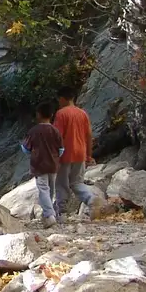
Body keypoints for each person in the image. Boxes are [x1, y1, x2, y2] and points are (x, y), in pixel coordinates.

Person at [52, 86, 97, 220]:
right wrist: (89, 155)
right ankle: (91, 199)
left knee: (61, 184)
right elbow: (89, 135)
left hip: (65, 154)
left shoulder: (61, 114)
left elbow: (57, 136)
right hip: (80, 153)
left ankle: (62, 212)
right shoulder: (82, 113)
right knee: (77, 182)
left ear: (61, 99)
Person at [22, 102, 64, 225]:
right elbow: (61, 150)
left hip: (39, 165)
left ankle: (50, 215)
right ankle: (49, 213)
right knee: (51, 190)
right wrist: (55, 157)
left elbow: (25, 148)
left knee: (43, 189)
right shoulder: (55, 130)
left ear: (38, 115)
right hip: (54, 165)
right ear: (51, 115)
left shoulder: (33, 131)